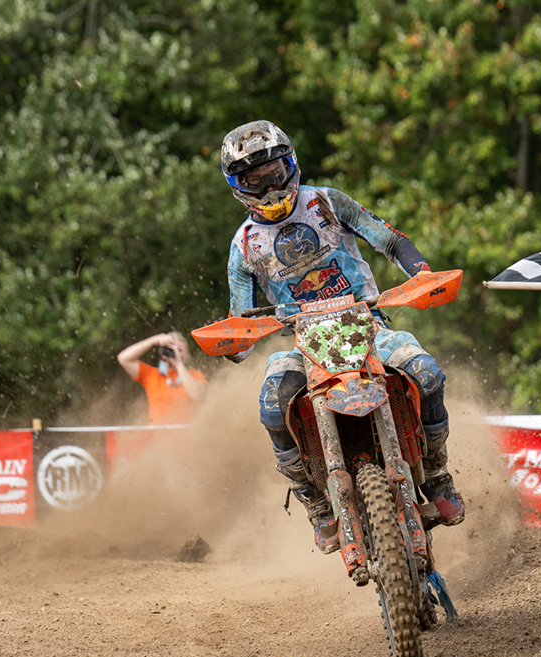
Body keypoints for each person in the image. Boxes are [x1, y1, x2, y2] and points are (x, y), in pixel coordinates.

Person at [216, 119, 465, 551]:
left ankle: (438, 474)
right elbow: (241, 317)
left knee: (426, 373)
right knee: (273, 405)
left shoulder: (327, 202)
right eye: (254, 181)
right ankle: (315, 502)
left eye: (274, 174)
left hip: (368, 324)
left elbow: (390, 240)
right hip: (303, 342)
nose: (269, 188)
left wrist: (422, 273)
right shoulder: (244, 245)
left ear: (290, 165)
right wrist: (235, 342)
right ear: (238, 186)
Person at [116, 332, 207, 425]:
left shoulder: (195, 375)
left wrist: (178, 364)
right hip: (157, 436)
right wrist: (153, 341)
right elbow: (124, 358)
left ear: (187, 354)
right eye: (171, 350)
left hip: (188, 434)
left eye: (179, 350)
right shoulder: (152, 374)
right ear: (162, 353)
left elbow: (198, 396)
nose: (175, 353)